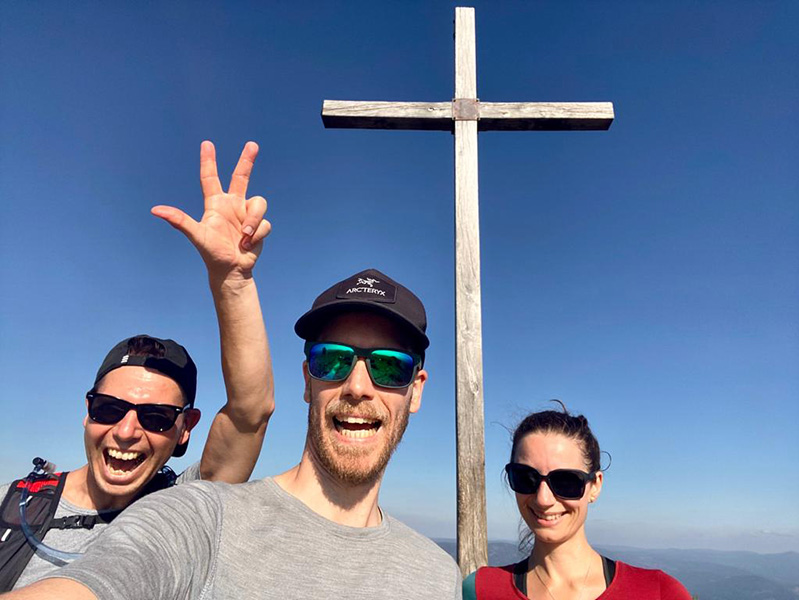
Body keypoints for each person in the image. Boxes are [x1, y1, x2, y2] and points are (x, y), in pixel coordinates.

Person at [3, 268, 462, 599]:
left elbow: (249, 412)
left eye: (388, 367)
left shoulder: (439, 577)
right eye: (333, 361)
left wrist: (233, 281)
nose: (358, 387)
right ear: (307, 379)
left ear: (416, 391)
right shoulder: (200, 514)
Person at [0, 141, 275, 591]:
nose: (126, 431)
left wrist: (233, 282)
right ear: (87, 410)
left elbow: (251, 412)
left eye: (155, 417)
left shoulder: (181, 504)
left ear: (186, 428)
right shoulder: (11, 506)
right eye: (109, 408)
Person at [463, 405, 691, 600]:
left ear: (595, 486)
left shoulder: (659, 592)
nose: (543, 499)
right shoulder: (480, 590)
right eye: (526, 478)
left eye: (566, 482)